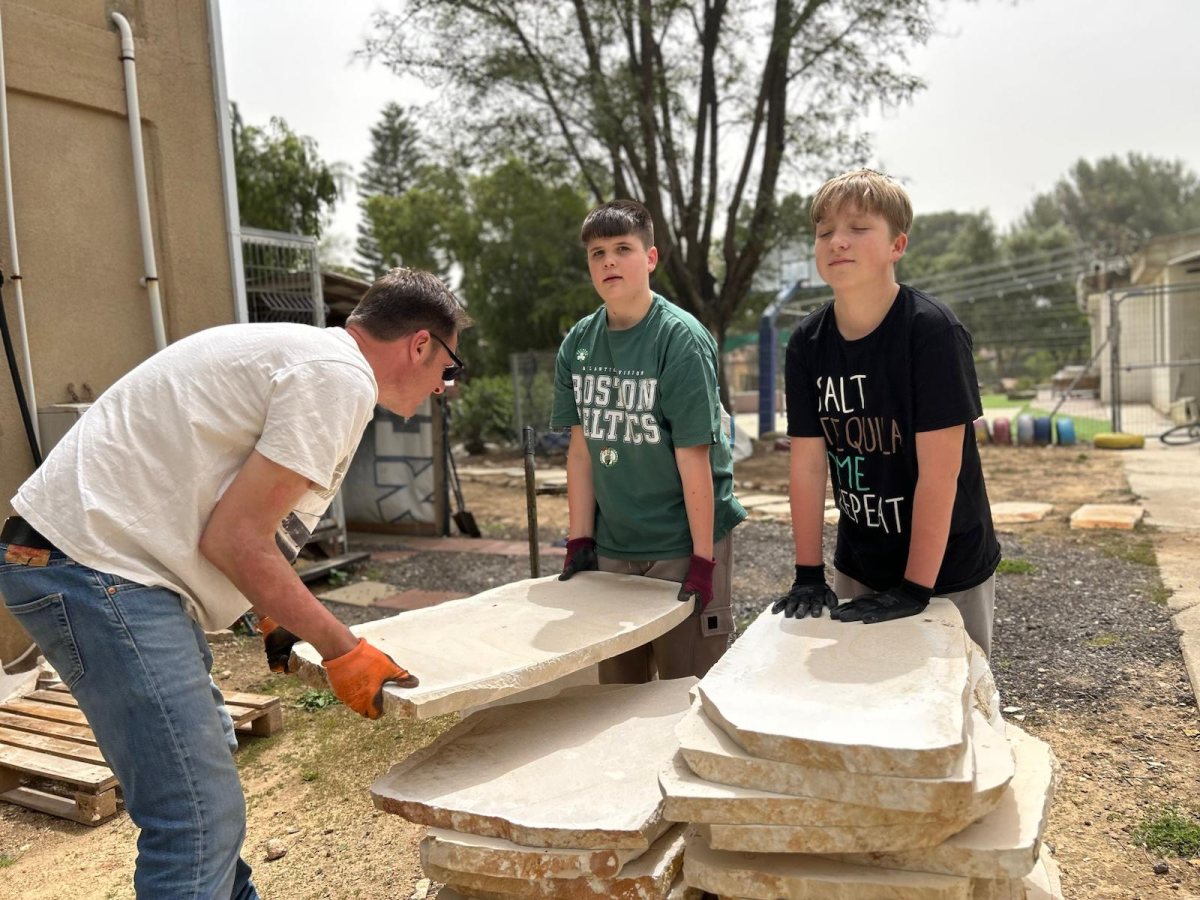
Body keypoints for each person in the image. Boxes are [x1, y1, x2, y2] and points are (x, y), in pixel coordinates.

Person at [0, 267, 469, 898]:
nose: (445, 386)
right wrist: (343, 649)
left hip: (98, 566)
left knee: (208, 774)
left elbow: (247, 518)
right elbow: (233, 539)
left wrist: (272, 611)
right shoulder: (338, 378)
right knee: (195, 816)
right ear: (420, 345)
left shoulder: (313, 360)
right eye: (450, 368)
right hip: (101, 571)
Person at [771, 169, 1000, 654]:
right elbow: (809, 465)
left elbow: (941, 472)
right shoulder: (807, 344)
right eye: (824, 232)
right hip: (861, 565)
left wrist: (916, 588)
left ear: (898, 245)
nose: (838, 242)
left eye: (858, 228)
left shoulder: (932, 332)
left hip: (947, 570)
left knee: (957, 708)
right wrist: (809, 574)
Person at [551, 199, 746, 683]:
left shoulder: (680, 339)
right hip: (616, 544)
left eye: (623, 248)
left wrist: (703, 559)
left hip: (684, 542)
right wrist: (581, 539)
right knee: (617, 696)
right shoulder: (578, 343)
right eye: (597, 253)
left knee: (688, 689)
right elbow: (581, 452)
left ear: (651, 258)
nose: (609, 262)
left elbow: (694, 455)